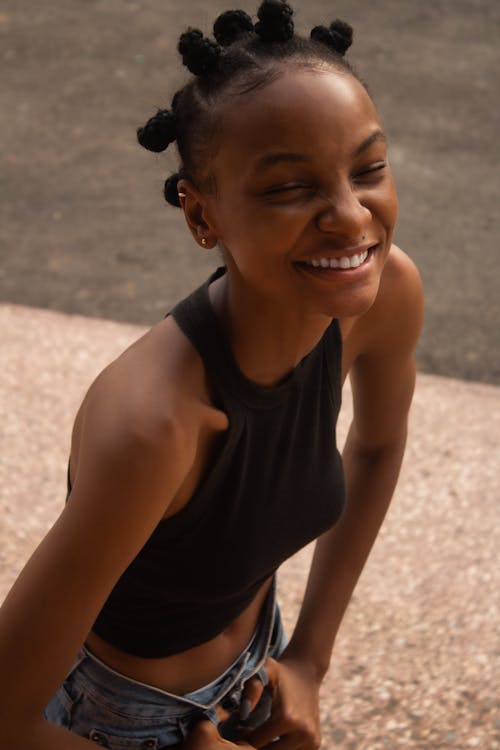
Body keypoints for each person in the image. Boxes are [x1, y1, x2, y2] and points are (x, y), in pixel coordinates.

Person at [0, 1, 424, 748]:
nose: (352, 217)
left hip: (258, 671)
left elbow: (379, 445)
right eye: (290, 187)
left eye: (369, 168)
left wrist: (309, 661)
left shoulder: (385, 293)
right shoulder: (153, 426)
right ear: (203, 219)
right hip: (112, 723)